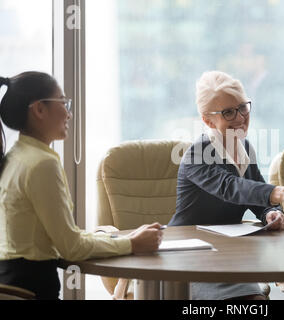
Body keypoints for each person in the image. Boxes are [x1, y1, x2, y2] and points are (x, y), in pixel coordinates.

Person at [0, 72, 163, 300]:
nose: (69, 113)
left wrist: (123, 240)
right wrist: (132, 244)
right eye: (63, 102)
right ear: (39, 109)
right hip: (33, 291)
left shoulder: (16, 156)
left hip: (12, 285)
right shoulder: (42, 164)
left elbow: (66, 238)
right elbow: (71, 248)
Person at [169, 71, 284, 300]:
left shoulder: (244, 148)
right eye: (228, 112)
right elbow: (230, 187)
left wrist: (272, 214)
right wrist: (280, 193)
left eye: (243, 107)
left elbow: (259, 199)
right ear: (208, 120)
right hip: (189, 254)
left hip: (225, 255)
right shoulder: (197, 155)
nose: (240, 117)